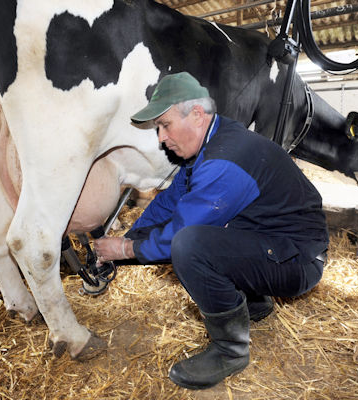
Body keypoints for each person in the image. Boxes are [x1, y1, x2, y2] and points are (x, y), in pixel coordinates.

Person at [94, 72, 329, 390]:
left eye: (165, 125)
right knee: (198, 237)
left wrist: (123, 251)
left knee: (190, 245)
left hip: (298, 259)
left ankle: (230, 350)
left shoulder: (224, 160)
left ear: (196, 114)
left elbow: (182, 230)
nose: (162, 138)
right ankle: (254, 302)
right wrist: (130, 239)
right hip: (271, 244)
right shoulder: (206, 149)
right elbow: (169, 203)